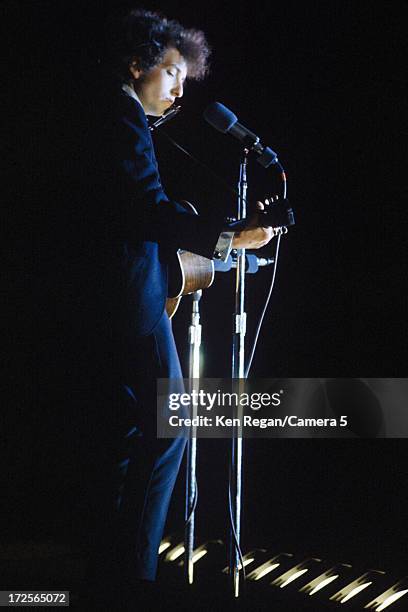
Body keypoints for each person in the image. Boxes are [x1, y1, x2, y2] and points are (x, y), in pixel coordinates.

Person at [81, 7, 274, 605]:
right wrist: (228, 238)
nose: (178, 90)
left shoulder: (111, 119)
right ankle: (133, 577)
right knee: (169, 430)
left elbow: (131, 215)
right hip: (129, 302)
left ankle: (108, 572)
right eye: (170, 74)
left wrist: (204, 250)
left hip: (123, 298)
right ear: (137, 66)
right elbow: (144, 212)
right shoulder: (120, 116)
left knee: (131, 434)